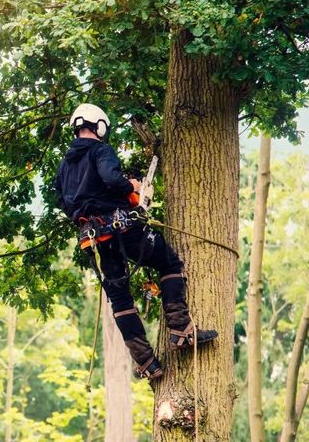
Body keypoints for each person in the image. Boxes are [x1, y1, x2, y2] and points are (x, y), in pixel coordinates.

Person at [54, 103, 218, 380]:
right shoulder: (100, 150)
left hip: (95, 239)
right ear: (100, 126)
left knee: (119, 298)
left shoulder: (64, 166)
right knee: (169, 262)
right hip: (121, 228)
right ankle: (180, 330)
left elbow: (63, 201)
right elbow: (110, 178)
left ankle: (146, 362)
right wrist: (133, 186)